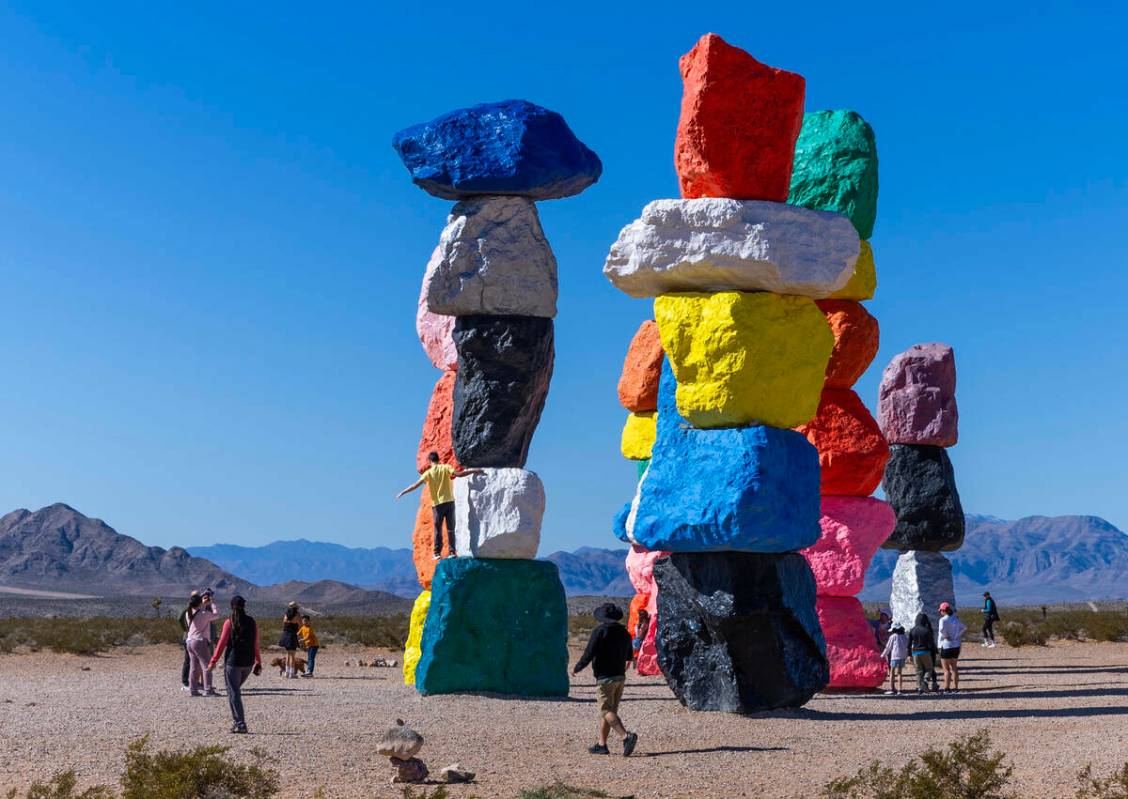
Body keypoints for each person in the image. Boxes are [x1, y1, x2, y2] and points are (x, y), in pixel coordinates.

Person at [573, 603, 639, 757]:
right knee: (610, 711)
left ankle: (626, 736)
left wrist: (578, 667)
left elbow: (589, 652)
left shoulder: (600, 631)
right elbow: (629, 655)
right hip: (619, 676)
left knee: (605, 710)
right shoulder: (624, 633)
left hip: (605, 676)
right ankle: (602, 745)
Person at [395, 452, 484, 559]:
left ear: (430, 461)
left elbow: (415, 485)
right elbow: (459, 474)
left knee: (438, 529)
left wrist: (403, 492)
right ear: (438, 459)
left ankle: (437, 553)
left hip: (437, 505)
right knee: (450, 528)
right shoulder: (446, 467)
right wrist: (475, 470)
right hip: (449, 502)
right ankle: (452, 552)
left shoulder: (428, 473)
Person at [207, 595, 262, 734]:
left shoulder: (229, 622)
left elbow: (222, 643)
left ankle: (240, 724)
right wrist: (258, 661)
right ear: (244, 606)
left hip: (233, 662)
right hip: (248, 663)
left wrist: (213, 661)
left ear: (231, 606)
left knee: (234, 693)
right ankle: (237, 722)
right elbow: (256, 642)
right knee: (234, 692)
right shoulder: (251, 622)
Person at [185, 589, 220, 696]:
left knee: (194, 667)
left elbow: (199, 612)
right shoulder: (204, 613)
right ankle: (208, 690)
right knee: (207, 666)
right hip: (199, 642)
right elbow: (216, 615)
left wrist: (203, 604)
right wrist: (212, 603)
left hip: (190, 642)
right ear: (200, 602)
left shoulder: (189, 613)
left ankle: (193, 690)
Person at [937, 602, 966, 693]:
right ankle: (956, 688)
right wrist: (957, 635)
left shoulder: (943, 620)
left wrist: (946, 636)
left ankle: (947, 688)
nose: (940, 612)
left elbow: (941, 629)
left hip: (945, 646)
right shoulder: (955, 619)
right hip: (956, 646)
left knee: (946, 670)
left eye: (940, 610)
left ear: (943, 610)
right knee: (954, 668)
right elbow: (964, 627)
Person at [907, 613, 936, 694]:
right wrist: (935, 652)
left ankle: (920, 688)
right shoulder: (926, 630)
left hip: (915, 653)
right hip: (925, 651)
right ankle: (926, 681)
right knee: (929, 668)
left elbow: (909, 644)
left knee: (918, 671)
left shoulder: (912, 630)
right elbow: (931, 644)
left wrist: (909, 654)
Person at [881, 624, 908, 695]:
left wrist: (882, 655)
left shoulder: (893, 636)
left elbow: (888, 647)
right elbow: (907, 646)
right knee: (899, 673)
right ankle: (900, 690)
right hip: (902, 657)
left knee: (892, 673)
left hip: (894, 657)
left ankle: (892, 689)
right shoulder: (904, 636)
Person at [279, 602, 302, 678]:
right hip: (292, 635)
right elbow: (300, 625)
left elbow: (284, 624)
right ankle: (292, 674)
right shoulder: (297, 614)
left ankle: (286, 673)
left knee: (288, 654)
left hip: (285, 635)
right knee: (292, 655)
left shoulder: (286, 614)